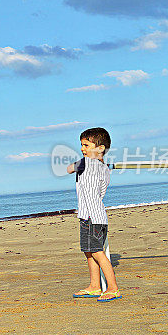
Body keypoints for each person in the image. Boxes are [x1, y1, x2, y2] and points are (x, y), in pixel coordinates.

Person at [66, 127, 120, 302]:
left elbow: (68, 169)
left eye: (86, 145)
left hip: (93, 217)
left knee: (96, 252)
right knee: (89, 252)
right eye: (82, 145)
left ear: (100, 148)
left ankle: (113, 288)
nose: (82, 149)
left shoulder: (87, 164)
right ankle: (95, 286)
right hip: (88, 215)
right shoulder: (103, 167)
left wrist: (85, 161)